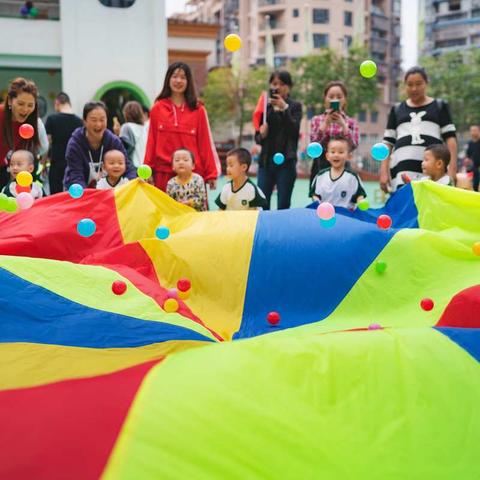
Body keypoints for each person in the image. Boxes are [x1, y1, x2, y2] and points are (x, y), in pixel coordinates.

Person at [144, 61, 220, 192]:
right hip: (163, 175)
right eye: (174, 76)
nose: (178, 80)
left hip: (193, 176)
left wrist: (211, 173)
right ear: (168, 79)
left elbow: (205, 142)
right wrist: (147, 170)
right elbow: (151, 141)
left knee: (193, 212)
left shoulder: (198, 109)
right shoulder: (157, 108)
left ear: (188, 81)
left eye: (183, 77)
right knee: (165, 212)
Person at [381, 66, 457, 192]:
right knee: (404, 206)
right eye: (409, 84)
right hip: (401, 173)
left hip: (432, 174)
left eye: (418, 84)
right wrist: (383, 172)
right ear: (404, 86)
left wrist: (452, 170)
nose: (414, 88)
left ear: (426, 83)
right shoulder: (397, 110)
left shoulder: (439, 106)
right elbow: (387, 143)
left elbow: (451, 140)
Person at [253, 70, 302, 210]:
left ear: (289, 87)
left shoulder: (294, 106)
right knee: (262, 203)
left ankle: (283, 231)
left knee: (284, 204)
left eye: (282, 84)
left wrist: (284, 109)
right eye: (274, 83)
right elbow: (258, 137)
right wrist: (261, 134)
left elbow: (294, 130)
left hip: (286, 162)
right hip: (266, 162)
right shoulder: (264, 107)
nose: (278, 87)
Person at [63, 101, 136, 189]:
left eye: (102, 119)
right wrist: (84, 195)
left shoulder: (113, 141)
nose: (98, 124)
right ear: (84, 121)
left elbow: (127, 166)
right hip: (80, 193)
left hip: (108, 192)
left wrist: (132, 182)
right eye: (94, 120)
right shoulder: (75, 144)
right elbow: (75, 175)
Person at [309, 81, 359, 184]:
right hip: (320, 166)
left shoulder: (350, 122)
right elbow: (313, 146)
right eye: (331, 96)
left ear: (345, 100)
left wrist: (343, 124)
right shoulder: (317, 120)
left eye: (339, 96)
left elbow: (353, 145)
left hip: (343, 168)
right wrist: (325, 123)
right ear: (325, 99)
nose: (335, 99)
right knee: (319, 198)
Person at [0, 77, 44, 190]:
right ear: (10, 101)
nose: (25, 109)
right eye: (20, 103)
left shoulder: (31, 124)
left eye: (30, 105)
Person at [310, 136, 366, 209]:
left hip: (346, 215)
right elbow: (314, 195)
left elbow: (360, 195)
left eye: (341, 152)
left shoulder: (352, 177)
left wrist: (361, 202)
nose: (336, 155)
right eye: (333, 152)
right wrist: (317, 203)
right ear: (327, 156)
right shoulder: (320, 176)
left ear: (349, 156)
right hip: (325, 215)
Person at [45, 92, 83, 194]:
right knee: (73, 194)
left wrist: (44, 162)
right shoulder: (80, 121)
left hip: (56, 161)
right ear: (69, 103)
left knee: (55, 195)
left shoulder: (52, 119)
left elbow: (47, 143)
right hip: (74, 163)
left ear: (57, 103)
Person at [119, 101, 148, 168]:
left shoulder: (126, 127)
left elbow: (124, 148)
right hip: (146, 167)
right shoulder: (145, 128)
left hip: (133, 167)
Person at [465, 124, 480, 192]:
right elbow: (468, 155)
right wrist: (467, 160)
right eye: (471, 131)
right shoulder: (470, 143)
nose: (472, 132)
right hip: (474, 167)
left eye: (474, 130)